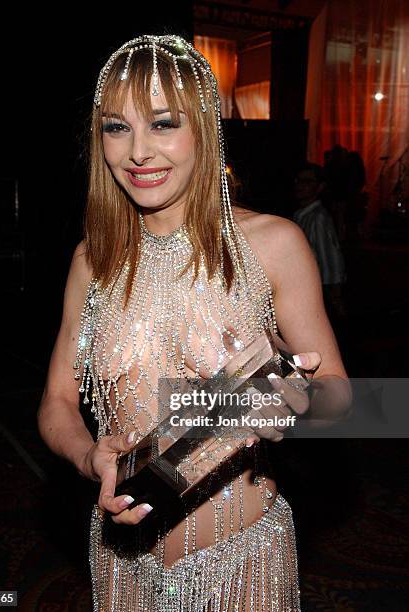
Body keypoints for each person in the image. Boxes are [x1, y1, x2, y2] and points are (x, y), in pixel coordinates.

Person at [37, 34, 351, 611]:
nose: (139, 152)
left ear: (204, 131)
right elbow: (57, 399)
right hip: (123, 558)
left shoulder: (273, 244)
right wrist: (89, 457)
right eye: (116, 127)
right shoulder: (92, 260)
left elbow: (340, 398)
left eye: (162, 123)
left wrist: (294, 406)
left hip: (243, 562)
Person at [293, 162, 347, 320]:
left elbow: (331, 259)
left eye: (307, 181)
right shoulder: (302, 215)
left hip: (320, 292)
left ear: (320, 187)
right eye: (298, 180)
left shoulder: (318, 218)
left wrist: (335, 297)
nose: (299, 185)